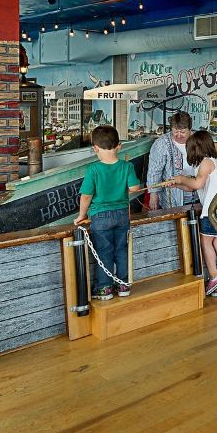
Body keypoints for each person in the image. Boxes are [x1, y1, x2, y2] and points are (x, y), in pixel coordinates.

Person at [73, 125, 141, 301]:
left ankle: (104, 288)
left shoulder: (93, 169)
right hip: (122, 214)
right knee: (121, 249)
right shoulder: (127, 166)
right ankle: (123, 285)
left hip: (100, 216)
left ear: (95, 148)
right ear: (119, 146)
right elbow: (135, 188)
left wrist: (82, 215)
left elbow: (86, 196)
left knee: (104, 251)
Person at [168, 130, 217, 297]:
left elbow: (196, 184)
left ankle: (214, 277)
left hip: (212, 211)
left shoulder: (206, 163)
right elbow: (193, 187)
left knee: (205, 241)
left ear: (195, 148)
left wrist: (181, 178)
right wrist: (176, 184)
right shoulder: (212, 163)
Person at [146, 112, 198, 210]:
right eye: (175, 132)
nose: (179, 135)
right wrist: (153, 194)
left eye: (183, 132)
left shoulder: (198, 140)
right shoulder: (162, 143)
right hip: (172, 197)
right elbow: (154, 171)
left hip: (198, 194)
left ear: (190, 129)